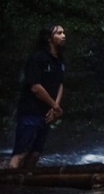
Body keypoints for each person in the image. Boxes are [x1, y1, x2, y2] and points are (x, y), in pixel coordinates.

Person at [8, 24, 67, 169]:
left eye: (64, 32)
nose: (64, 35)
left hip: (46, 114)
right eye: (59, 33)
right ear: (49, 38)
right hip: (31, 112)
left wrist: (55, 107)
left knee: (35, 154)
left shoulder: (59, 61)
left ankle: (25, 185)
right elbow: (35, 87)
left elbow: (60, 84)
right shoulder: (38, 58)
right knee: (21, 153)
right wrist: (55, 106)